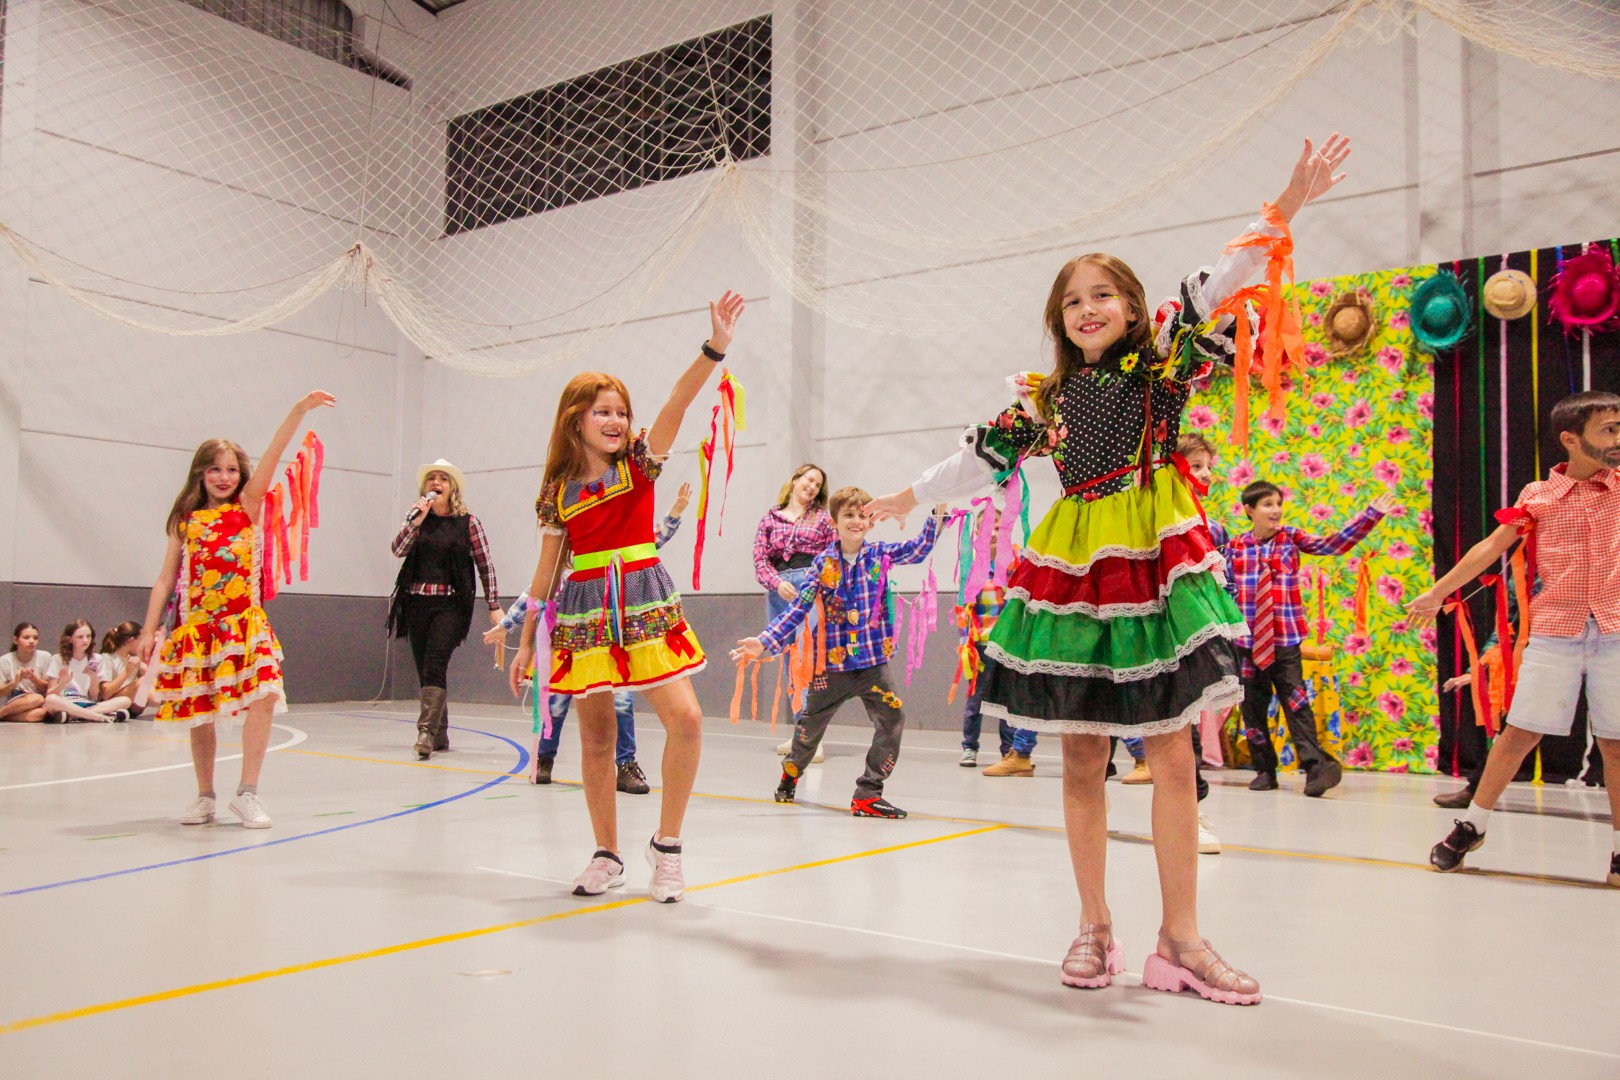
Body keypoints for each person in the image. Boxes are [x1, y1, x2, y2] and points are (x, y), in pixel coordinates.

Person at [866, 134, 1353, 1005]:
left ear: (1131, 308)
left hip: (1153, 551)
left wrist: (1285, 205)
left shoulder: (1161, 358)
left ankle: (1183, 939)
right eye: (1071, 301)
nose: (1087, 309)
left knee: (1171, 757)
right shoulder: (1045, 398)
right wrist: (905, 498)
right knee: (1082, 756)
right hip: (1075, 561)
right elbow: (977, 459)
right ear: (1059, 321)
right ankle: (1094, 923)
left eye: (1103, 296)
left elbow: (1222, 277)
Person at [509, 290, 745, 903]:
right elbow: (544, 576)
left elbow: (677, 401)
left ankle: (666, 847)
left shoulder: (640, 464)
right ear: (575, 421)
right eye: (601, 412)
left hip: (643, 599)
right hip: (585, 610)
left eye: (620, 411)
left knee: (686, 720)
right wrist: (524, 642)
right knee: (595, 741)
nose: (615, 421)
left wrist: (715, 346)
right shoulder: (556, 493)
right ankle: (606, 854)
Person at [1411, 390, 1620, 886]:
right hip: (1556, 632)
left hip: (1615, 631)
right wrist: (1438, 593)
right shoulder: (1539, 497)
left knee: (1615, 744)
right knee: (1519, 733)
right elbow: (1491, 546)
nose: (1617, 439)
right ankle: (1472, 824)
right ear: (1572, 439)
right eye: (1608, 430)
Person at [139, 390, 336, 828]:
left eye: (231, 469)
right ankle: (204, 794)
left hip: (244, 625)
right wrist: (149, 630)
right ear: (200, 473)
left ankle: (248, 792)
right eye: (215, 469)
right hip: (199, 629)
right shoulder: (186, 520)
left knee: (264, 696)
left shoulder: (248, 508)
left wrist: (298, 410)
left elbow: (273, 453)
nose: (224, 477)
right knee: (200, 709)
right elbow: (166, 579)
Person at [733, 487, 943, 818]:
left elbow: (917, 550)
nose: (856, 521)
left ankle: (868, 794)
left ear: (871, 521)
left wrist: (937, 514)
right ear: (834, 522)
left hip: (873, 666)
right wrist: (765, 641)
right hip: (831, 670)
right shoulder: (822, 564)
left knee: (893, 718)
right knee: (809, 730)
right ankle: (791, 772)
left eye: (862, 515)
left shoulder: (879, 555)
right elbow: (798, 609)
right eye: (848, 515)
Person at [486, 483, 693, 792]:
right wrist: (506, 625)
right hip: (567, 651)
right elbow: (534, 594)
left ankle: (626, 764)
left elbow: (651, 541)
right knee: (555, 704)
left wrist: (675, 512)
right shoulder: (566, 570)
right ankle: (544, 758)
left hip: (608, 646)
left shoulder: (613, 561)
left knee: (621, 702)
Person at [1225, 480, 1394, 795]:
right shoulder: (1235, 547)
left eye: (1278, 503)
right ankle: (1264, 769)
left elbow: (1332, 544)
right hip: (1247, 644)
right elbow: (1227, 587)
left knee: (1296, 702)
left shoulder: (1291, 538)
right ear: (1249, 510)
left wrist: (1371, 516)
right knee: (1251, 706)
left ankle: (1315, 767)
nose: (1275, 510)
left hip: (1284, 640)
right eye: (1267, 504)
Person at [387, 459, 502, 761]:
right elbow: (397, 549)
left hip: (450, 605)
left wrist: (494, 605)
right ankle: (440, 734)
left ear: (453, 488)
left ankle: (425, 731)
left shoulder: (468, 523)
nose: (436, 483)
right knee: (425, 668)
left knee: (435, 661)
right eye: (431, 479)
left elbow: (484, 565)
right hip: (416, 603)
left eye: (443, 479)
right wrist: (414, 522)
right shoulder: (418, 519)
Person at [755, 463, 834, 761]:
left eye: (818, 484)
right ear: (796, 480)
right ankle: (802, 732)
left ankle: (813, 736)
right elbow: (760, 560)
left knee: (808, 659)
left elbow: (831, 556)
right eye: (809, 479)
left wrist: (814, 586)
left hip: (811, 588)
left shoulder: (824, 519)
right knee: (790, 660)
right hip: (779, 591)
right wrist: (776, 583)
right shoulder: (770, 518)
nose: (812, 486)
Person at [43, 620, 131, 722]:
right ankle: (96, 716)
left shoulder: (96, 659)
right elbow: (50, 694)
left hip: (86, 703)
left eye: (88, 636)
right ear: (70, 639)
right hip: (65, 703)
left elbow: (93, 697)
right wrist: (63, 683)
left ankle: (76, 715)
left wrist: (93, 677)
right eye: (80, 637)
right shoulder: (58, 658)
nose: (85, 640)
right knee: (51, 700)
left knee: (125, 700)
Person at [0, 623, 51, 723]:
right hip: (16, 703)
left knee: (39, 714)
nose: (32, 641)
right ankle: (3, 712)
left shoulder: (45, 657)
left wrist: (33, 678)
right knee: (37, 698)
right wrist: (14, 682)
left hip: (39, 704)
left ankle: (3, 716)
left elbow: (48, 688)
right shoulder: (5, 660)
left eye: (35, 638)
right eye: (26, 638)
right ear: (15, 640)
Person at [97, 622, 148, 718]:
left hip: (132, 707)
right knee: (143, 682)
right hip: (112, 703)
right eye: (141, 640)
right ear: (132, 640)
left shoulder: (134, 659)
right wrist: (127, 673)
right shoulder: (107, 658)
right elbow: (106, 694)